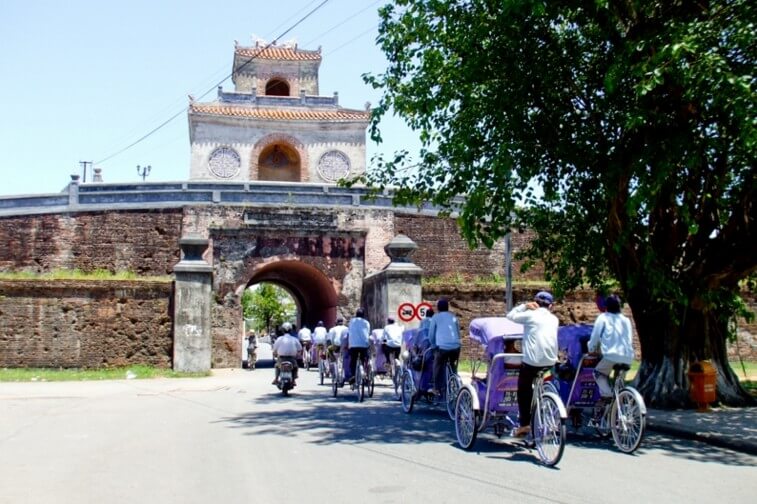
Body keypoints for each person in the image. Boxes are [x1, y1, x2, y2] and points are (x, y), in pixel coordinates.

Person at [506, 291, 559, 437]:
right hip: (550, 361)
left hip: (532, 362)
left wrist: (524, 306)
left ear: (535, 303)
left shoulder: (530, 315)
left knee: (523, 389)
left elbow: (510, 316)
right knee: (547, 380)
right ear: (551, 306)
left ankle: (524, 424)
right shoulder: (554, 319)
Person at [588, 294, 634, 400]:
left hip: (611, 355)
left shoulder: (603, 317)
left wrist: (591, 349)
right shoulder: (626, 320)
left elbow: (595, 337)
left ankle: (607, 395)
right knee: (619, 381)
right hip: (627, 356)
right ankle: (620, 401)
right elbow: (629, 339)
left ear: (606, 307)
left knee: (598, 373)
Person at [428, 298, 461, 396]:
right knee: (452, 365)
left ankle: (436, 388)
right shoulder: (453, 317)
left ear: (438, 308)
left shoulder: (435, 317)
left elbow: (431, 334)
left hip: (442, 348)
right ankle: (455, 380)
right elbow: (458, 333)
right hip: (456, 347)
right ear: (447, 307)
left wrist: (433, 345)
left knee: (437, 365)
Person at [347, 308, 371, 383]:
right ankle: (365, 373)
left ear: (356, 315)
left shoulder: (351, 321)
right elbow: (368, 333)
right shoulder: (367, 323)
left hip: (353, 345)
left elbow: (349, 331)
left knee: (353, 360)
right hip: (364, 345)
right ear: (363, 315)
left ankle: (353, 375)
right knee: (365, 358)